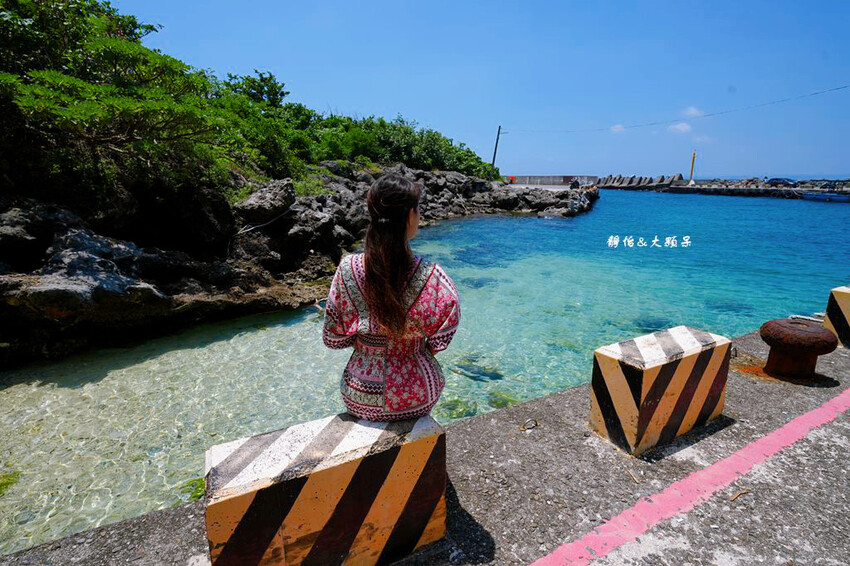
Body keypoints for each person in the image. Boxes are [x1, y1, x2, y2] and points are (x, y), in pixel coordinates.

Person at [322, 174, 461, 421]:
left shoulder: (347, 269)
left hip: (358, 393)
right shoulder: (432, 275)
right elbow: (443, 334)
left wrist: (368, 346)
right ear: (410, 216)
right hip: (416, 395)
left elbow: (333, 337)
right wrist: (410, 349)